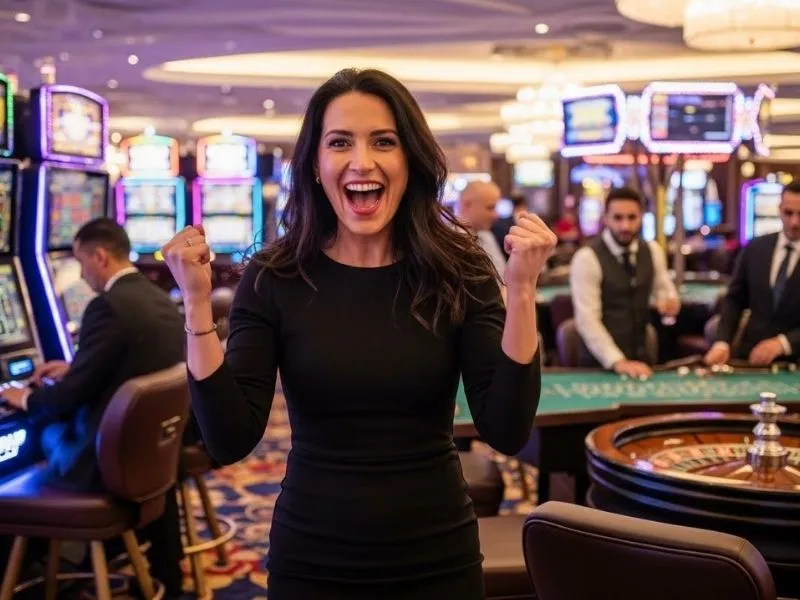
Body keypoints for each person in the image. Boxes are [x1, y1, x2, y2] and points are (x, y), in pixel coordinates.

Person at [162, 68, 555, 600]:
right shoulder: (276, 275)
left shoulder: (460, 269)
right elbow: (230, 440)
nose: (361, 161)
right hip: (312, 557)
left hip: (436, 555)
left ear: (410, 161)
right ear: (316, 166)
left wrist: (523, 292)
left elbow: (506, 428)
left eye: (384, 142)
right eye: (340, 142)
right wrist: (197, 303)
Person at [0, 218, 187, 598]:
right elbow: (127, 364)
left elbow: (68, 398)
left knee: (40, 433)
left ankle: (41, 561)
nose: (82, 277)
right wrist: (76, 369)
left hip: (101, 465)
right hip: (150, 458)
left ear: (100, 256)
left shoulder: (109, 306)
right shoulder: (159, 299)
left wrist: (25, 397)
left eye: (82, 264)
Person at [570, 186, 680, 378]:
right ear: (606, 218)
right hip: (599, 366)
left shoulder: (652, 251)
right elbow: (587, 320)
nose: (625, 226)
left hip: (643, 361)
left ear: (641, 217)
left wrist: (669, 303)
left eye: (632, 217)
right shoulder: (586, 258)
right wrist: (617, 361)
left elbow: (665, 292)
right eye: (618, 218)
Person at [705, 182, 800, 366]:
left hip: (796, 362)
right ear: (779, 209)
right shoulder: (756, 247)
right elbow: (734, 299)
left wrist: (783, 343)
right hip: (750, 360)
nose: (794, 222)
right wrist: (722, 342)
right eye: (789, 213)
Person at [458, 180, 508, 279]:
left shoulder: (487, 236)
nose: (496, 215)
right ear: (466, 204)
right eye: (490, 207)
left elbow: (503, 277)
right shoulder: (450, 241)